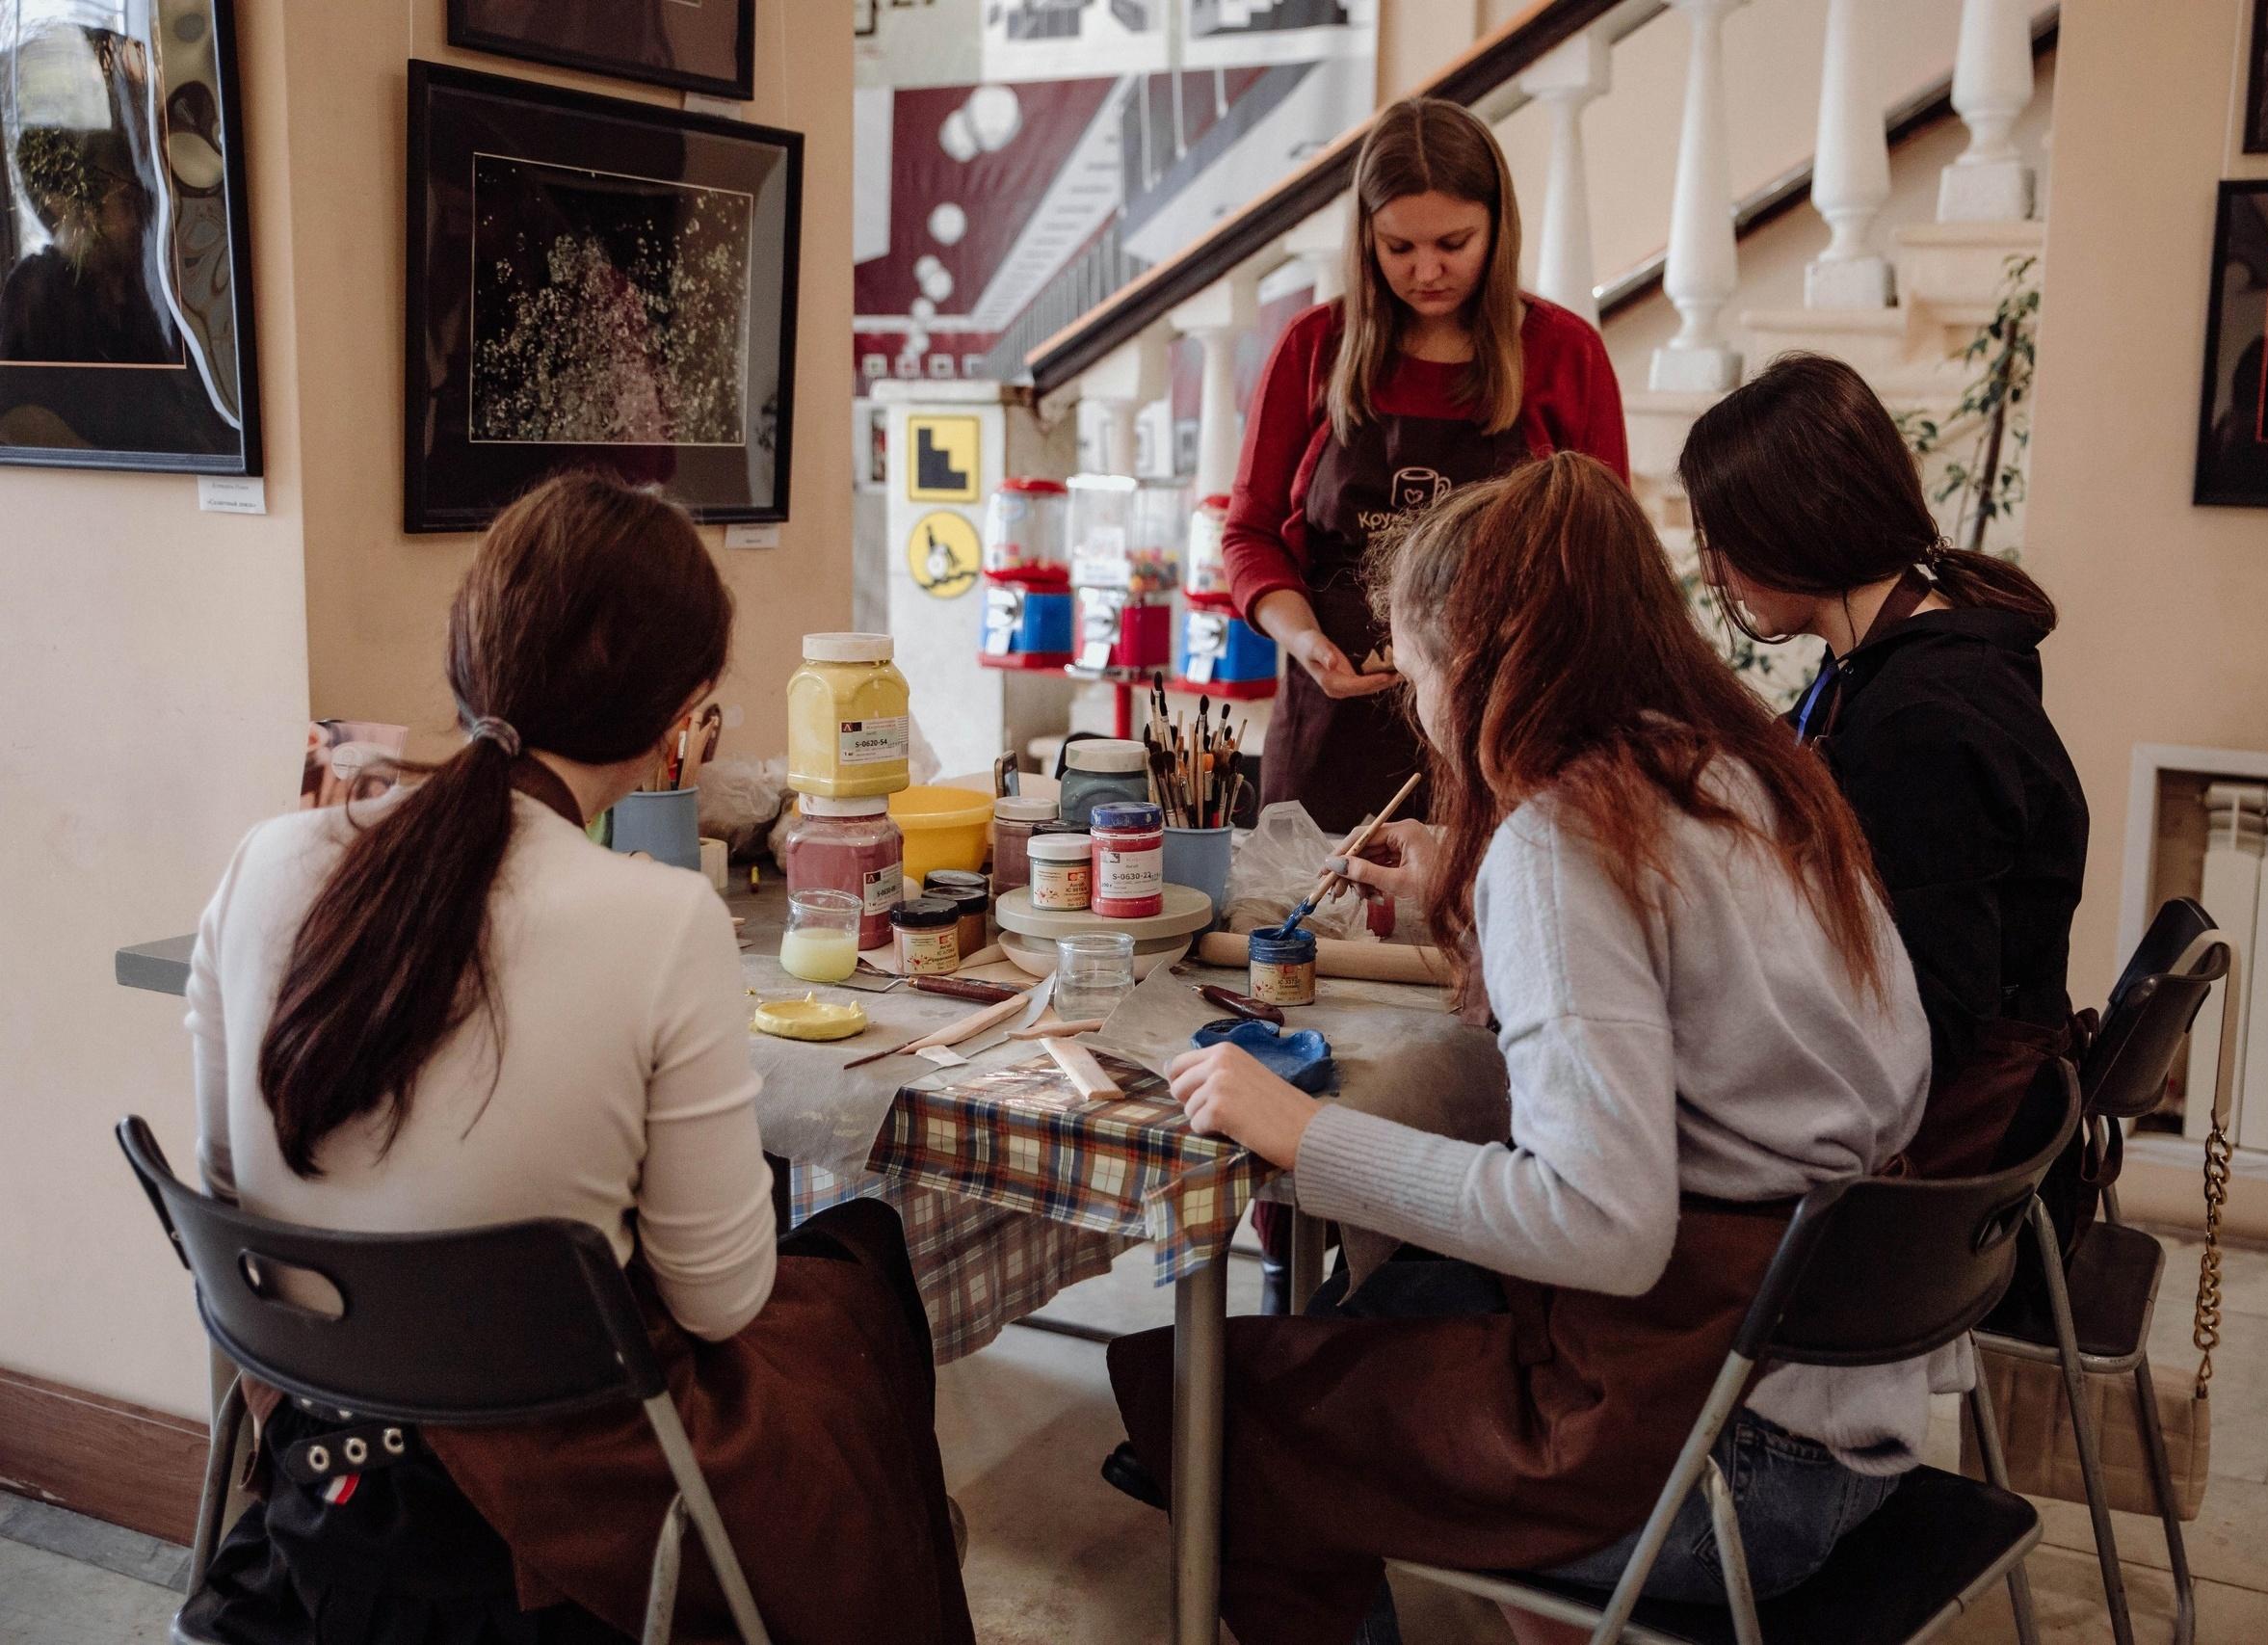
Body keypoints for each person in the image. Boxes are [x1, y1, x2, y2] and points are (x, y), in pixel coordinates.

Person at [1107, 453, 1934, 1645]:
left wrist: (1306, 1135)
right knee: (1360, 1322)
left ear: (1483, 663)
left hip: (1731, 1465)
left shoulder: (1564, 843)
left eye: (1416, 665)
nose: (1415, 703)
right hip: (1844, 1398)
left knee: (1215, 1419)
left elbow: (1601, 1224)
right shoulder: (1748, 777)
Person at [183, 473, 972, 1645]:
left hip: (319, 1448)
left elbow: (225, 1182)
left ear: (469, 653)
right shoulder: (655, 921)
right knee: (854, 1272)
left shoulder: (270, 859)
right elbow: (721, 1300)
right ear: (681, 715)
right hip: (556, 1492)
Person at [1677, 352, 2089, 1175]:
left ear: (1796, 526)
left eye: (1724, 540)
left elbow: (1934, 1018)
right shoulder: (1888, 659)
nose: (1713, 567)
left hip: (1947, 1158)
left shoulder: (1924, 718)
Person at [1222, 96, 1628, 835]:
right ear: (1365, 238)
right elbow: (1248, 535)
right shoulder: (1313, 346)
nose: (1427, 271)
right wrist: (1305, 640)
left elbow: (1606, 558)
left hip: (1504, 733)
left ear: (1498, 228)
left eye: (1454, 242)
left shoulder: (1565, 354)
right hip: (1331, 727)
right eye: (1399, 247)